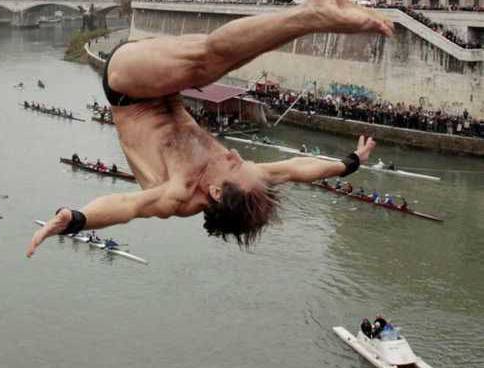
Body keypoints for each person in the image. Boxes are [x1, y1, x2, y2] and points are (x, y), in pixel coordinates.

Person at [27, 0, 390, 257]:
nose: (232, 154)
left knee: (207, 63)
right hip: (163, 83)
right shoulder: (244, 179)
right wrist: (350, 163)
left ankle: (315, 14)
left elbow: (126, 205)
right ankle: (315, 13)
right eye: (238, 160)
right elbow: (296, 169)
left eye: (232, 164)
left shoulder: (177, 194)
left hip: (128, 88)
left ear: (215, 191)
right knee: (237, 56)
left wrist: (76, 219)